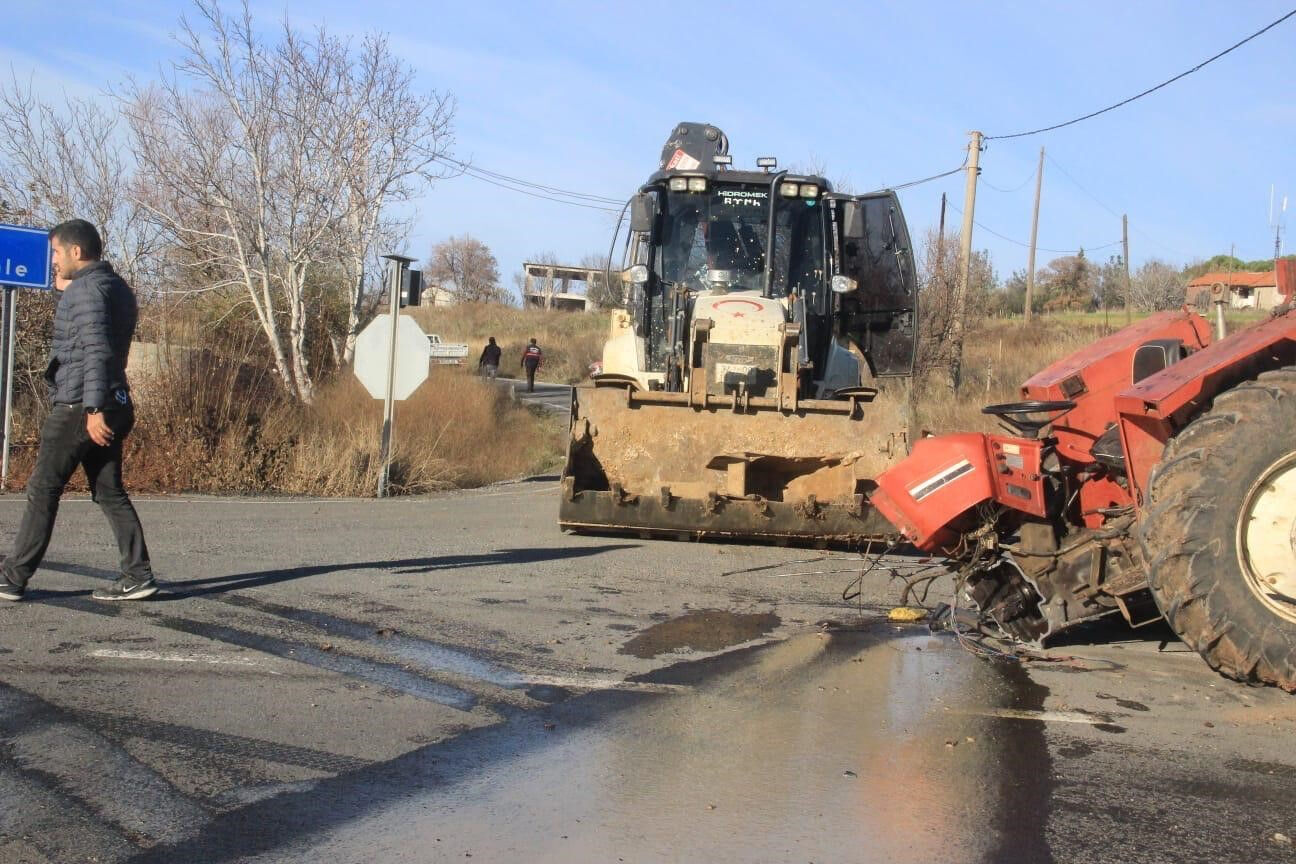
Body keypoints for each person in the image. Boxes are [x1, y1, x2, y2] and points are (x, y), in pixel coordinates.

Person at [0, 219, 157, 602]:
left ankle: (12, 578)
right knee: (108, 490)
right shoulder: (113, 287)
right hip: (113, 399)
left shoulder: (86, 291)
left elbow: (95, 350)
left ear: (76, 251)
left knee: (43, 488)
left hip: (81, 404)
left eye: (56, 252)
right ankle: (137, 575)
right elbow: (92, 336)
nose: (52, 260)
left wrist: (92, 408)